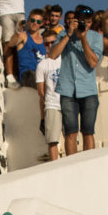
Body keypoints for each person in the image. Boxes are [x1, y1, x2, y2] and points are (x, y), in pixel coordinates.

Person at [48, 5, 103, 156]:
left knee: (88, 131)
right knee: (70, 132)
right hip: (67, 89)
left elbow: (93, 62)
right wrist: (68, 35)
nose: (86, 24)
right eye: (83, 21)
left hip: (88, 90)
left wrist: (83, 37)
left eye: (89, 22)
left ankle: (89, 163)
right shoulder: (65, 34)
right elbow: (52, 55)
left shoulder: (96, 37)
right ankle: (71, 164)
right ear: (75, 21)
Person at [36, 29, 62, 162]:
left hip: (68, 102)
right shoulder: (42, 65)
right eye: (47, 44)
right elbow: (41, 92)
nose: (50, 46)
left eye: (53, 42)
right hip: (51, 104)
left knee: (72, 137)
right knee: (52, 141)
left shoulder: (66, 59)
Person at [5, 8, 47, 88]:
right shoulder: (23, 35)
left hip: (40, 75)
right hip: (27, 74)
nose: (35, 23)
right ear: (28, 21)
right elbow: (11, 44)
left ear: (41, 24)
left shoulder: (43, 40)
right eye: (32, 20)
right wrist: (18, 31)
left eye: (38, 22)